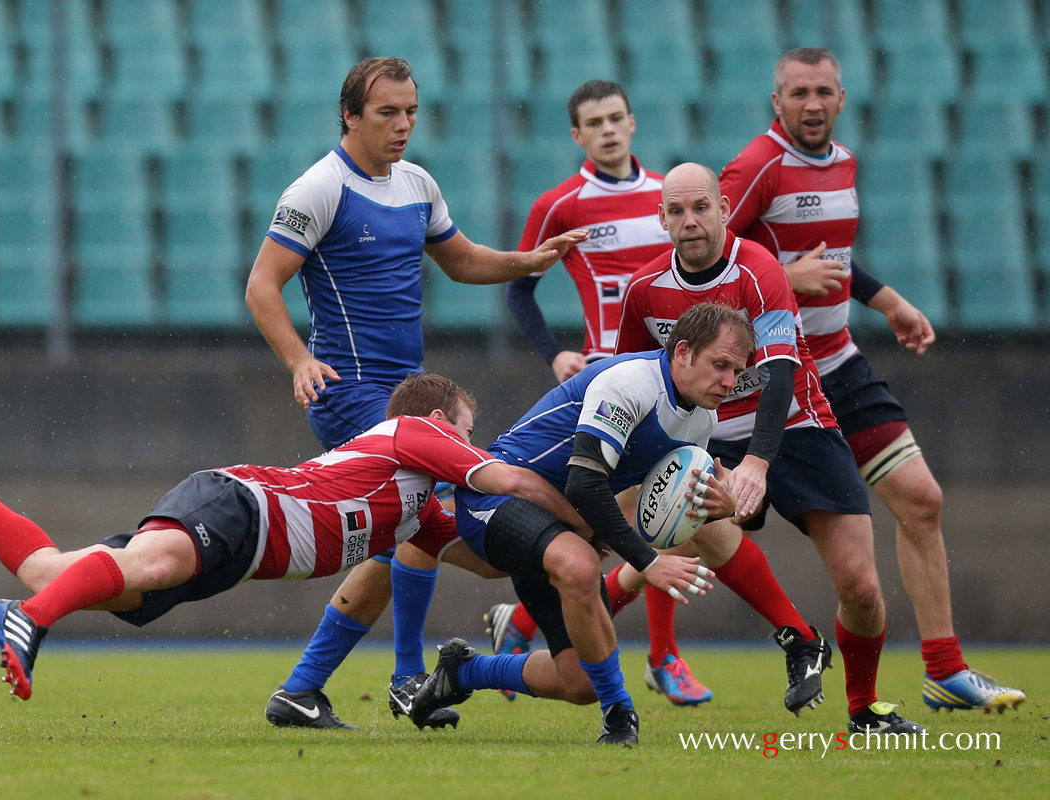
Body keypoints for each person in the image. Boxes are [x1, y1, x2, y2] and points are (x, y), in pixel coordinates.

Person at [0, 373, 589, 716]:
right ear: (438, 420)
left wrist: (561, 567)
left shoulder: (415, 514)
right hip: (242, 504)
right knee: (144, 565)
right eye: (465, 427)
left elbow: (492, 560)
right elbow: (510, 483)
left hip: (242, 553)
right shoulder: (416, 433)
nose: (468, 438)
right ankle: (35, 620)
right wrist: (585, 533)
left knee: (52, 568)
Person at [244, 57, 587, 729]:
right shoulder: (320, 188)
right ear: (349, 115)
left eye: (410, 113)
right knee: (421, 518)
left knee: (408, 527)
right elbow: (262, 285)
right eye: (386, 114)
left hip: (402, 397)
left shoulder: (417, 184)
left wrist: (528, 261)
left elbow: (459, 261)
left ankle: (308, 687)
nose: (402, 126)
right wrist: (298, 360)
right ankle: (403, 679)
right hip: (348, 392)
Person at [717, 46, 1024, 714]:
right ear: (777, 102)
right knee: (684, 528)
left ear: (842, 98)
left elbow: (834, 260)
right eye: (797, 93)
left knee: (922, 499)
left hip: (841, 361)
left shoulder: (845, 163)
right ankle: (544, 625)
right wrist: (783, 280)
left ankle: (944, 670)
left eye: (823, 91)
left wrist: (886, 300)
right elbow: (707, 265)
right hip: (782, 376)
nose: (812, 105)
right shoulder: (755, 167)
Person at [409, 303, 833, 744]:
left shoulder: (702, 419)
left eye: (737, 370)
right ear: (683, 352)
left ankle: (464, 671)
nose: (730, 382)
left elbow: (668, 510)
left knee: (579, 682)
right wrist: (649, 562)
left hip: (559, 526)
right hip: (498, 496)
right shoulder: (630, 382)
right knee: (578, 563)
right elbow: (584, 486)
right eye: (720, 365)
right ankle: (620, 717)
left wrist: (720, 506)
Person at [615, 161, 923, 736]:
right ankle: (797, 638)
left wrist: (757, 462)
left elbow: (780, 374)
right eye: (676, 211)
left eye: (701, 207)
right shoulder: (644, 291)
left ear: (724, 210)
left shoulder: (757, 268)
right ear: (661, 219)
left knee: (859, 586)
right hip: (707, 436)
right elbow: (633, 380)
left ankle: (864, 709)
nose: (690, 221)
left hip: (800, 424)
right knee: (681, 491)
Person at [493, 79, 714, 706]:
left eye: (617, 117)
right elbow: (518, 286)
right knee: (637, 525)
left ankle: (653, 653)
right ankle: (648, 655)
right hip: (610, 385)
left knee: (674, 513)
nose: (609, 130)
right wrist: (554, 351)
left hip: (677, 382)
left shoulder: (671, 197)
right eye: (595, 123)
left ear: (633, 122)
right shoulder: (562, 204)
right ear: (577, 135)